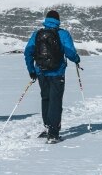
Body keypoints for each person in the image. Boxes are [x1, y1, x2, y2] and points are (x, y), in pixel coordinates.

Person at [24, 9, 81, 143]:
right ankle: (53, 134)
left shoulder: (37, 34)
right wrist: (77, 59)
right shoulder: (62, 34)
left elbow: (28, 52)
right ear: (58, 20)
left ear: (46, 20)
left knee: (46, 98)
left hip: (41, 72)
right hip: (57, 72)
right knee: (55, 101)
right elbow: (70, 52)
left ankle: (48, 126)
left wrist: (31, 70)